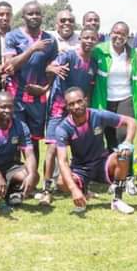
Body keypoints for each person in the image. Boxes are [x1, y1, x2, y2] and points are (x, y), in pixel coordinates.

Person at [52, 87, 137, 214]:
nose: (76, 106)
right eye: (71, 104)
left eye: (79, 101)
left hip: (102, 163)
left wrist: (128, 142)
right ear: (67, 107)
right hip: (80, 168)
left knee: (123, 155)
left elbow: (130, 121)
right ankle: (82, 194)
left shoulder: (98, 115)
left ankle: (117, 200)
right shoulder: (63, 128)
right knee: (60, 182)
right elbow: (62, 161)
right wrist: (73, 189)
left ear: (85, 100)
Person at [40, 28, 98, 204]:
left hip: (78, 110)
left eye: (93, 38)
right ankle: (46, 190)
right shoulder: (69, 55)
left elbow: (89, 86)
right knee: (52, 148)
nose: (89, 41)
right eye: (86, 37)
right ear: (80, 38)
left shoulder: (93, 63)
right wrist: (53, 69)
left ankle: (82, 187)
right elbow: (49, 67)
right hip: (59, 107)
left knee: (81, 148)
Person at [90, 22, 137, 196]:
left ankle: (129, 178)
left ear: (128, 36)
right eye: (115, 32)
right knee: (111, 139)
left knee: (124, 137)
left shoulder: (133, 53)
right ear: (110, 32)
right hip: (105, 100)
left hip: (125, 98)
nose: (118, 36)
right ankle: (115, 178)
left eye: (123, 34)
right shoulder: (99, 50)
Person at [5, 1, 58, 160]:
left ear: (42, 16)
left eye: (37, 13)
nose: (34, 16)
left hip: (38, 98)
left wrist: (45, 89)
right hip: (16, 97)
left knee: (34, 140)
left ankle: (33, 179)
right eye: (30, 13)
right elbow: (9, 65)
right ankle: (16, 177)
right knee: (16, 138)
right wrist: (32, 49)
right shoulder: (13, 36)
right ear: (23, 16)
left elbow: (53, 69)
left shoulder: (50, 40)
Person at [0, 1, 15, 91]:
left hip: (14, 89)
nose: (5, 17)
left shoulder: (18, 36)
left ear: (11, 16)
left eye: (8, 14)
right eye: (1, 14)